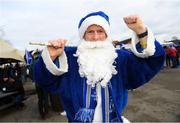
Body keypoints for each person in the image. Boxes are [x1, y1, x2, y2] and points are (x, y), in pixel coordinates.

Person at [34, 11, 165, 122]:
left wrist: (141, 31)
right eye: (90, 32)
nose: (96, 37)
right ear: (83, 35)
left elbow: (151, 62)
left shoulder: (120, 58)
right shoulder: (69, 57)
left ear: (107, 34)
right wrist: (51, 57)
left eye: (100, 31)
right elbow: (43, 80)